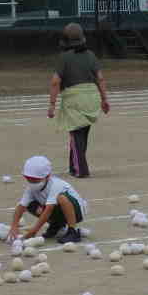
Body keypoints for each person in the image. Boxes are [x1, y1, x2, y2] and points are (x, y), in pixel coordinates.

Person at [48, 23, 110, 179]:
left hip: (74, 97)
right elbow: (100, 78)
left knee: (75, 135)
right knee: (82, 133)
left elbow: (55, 82)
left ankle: (80, 169)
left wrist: (52, 104)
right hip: (92, 96)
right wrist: (104, 99)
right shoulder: (91, 55)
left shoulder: (64, 58)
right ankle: (73, 165)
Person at [8, 154, 87, 242]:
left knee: (61, 198)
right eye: (29, 179)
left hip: (77, 212)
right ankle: (56, 225)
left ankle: (72, 231)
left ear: (47, 176)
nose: (31, 182)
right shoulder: (31, 188)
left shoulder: (55, 185)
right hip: (58, 212)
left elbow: (48, 210)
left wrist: (33, 231)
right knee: (30, 204)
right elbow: (21, 206)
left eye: (35, 180)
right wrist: (14, 226)